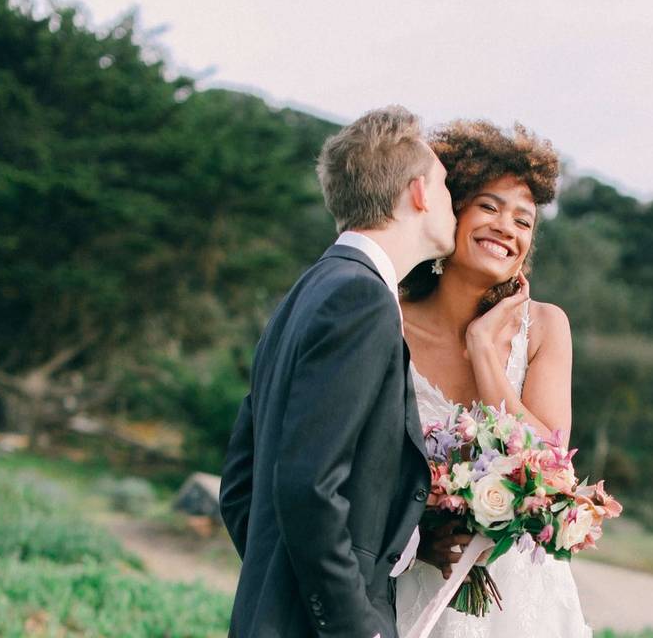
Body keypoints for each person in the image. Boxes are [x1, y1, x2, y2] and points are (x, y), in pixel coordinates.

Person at [218, 105, 457, 638]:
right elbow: (308, 485)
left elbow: (240, 484)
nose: (453, 206)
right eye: (445, 188)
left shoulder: (309, 290)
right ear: (418, 192)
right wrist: (353, 624)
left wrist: (278, 584)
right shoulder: (361, 298)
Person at [395, 120, 592, 637]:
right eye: (488, 206)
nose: (507, 226)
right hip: (414, 577)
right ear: (449, 212)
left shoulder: (547, 326)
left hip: (522, 597)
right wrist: (419, 532)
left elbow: (550, 467)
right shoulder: (386, 318)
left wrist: (484, 351)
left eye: (523, 220)